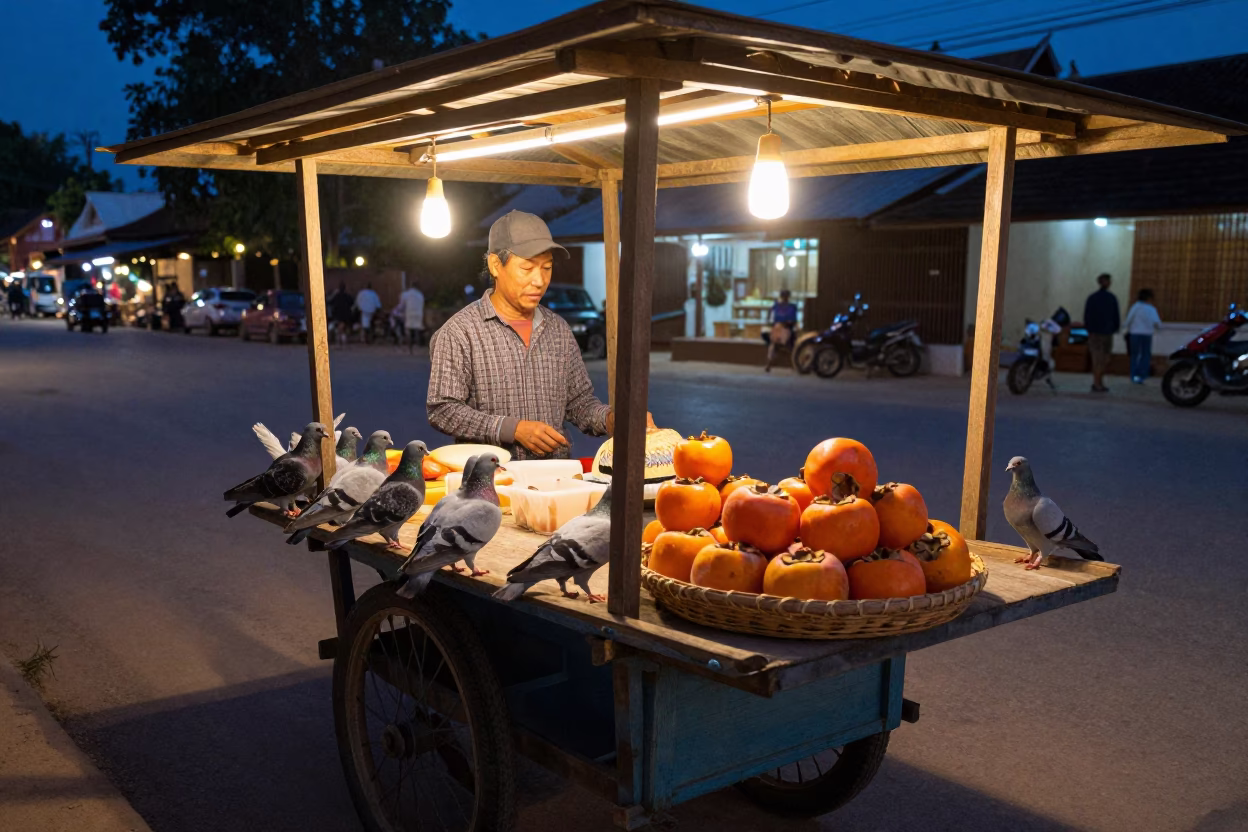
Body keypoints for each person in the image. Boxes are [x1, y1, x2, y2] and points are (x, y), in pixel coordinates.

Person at [427, 210, 650, 460]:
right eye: (527, 268)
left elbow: (579, 403)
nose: (539, 280)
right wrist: (512, 429)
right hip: (492, 484)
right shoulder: (460, 332)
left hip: (556, 480)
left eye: (547, 268)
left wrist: (612, 419)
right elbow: (443, 409)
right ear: (495, 265)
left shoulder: (558, 329)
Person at [1082, 273, 1120, 393]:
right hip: (1106, 332)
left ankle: (1097, 382)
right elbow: (1116, 316)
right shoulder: (1112, 298)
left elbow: (1087, 315)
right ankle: (1098, 382)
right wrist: (1115, 328)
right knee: (1104, 358)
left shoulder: (1092, 298)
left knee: (1097, 358)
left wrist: (1088, 329)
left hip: (1094, 332)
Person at [1123, 288, 1162, 384]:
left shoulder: (1135, 307)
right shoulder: (1151, 309)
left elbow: (1128, 321)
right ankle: (1142, 375)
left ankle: (1134, 375)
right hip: (1147, 334)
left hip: (1135, 333)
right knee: (1145, 355)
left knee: (1134, 355)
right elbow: (1158, 323)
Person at [764, 289, 798, 372]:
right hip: (780, 328)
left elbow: (793, 320)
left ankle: (770, 364)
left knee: (777, 345)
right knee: (775, 345)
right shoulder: (781, 306)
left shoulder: (789, 307)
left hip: (784, 328)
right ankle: (769, 364)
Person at [393, 280, 426, 353]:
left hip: (409, 313)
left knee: (409, 330)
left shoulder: (405, 294)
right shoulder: (420, 295)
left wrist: (398, 311)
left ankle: (410, 348)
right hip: (418, 313)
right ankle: (417, 346)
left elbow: (402, 305)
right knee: (417, 329)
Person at [328, 282, 354, 347]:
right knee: (345, 327)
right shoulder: (347, 296)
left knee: (340, 327)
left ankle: (340, 341)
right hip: (346, 314)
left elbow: (330, 302)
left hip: (338, 314)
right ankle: (345, 340)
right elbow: (352, 303)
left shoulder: (336, 296)